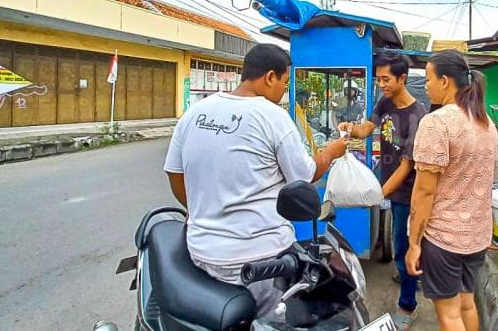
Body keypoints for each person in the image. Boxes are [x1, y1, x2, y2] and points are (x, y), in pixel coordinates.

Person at [163, 44, 347, 319]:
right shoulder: (272, 116)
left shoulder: (195, 113)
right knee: (268, 322)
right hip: (259, 263)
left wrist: (200, 209)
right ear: (270, 77)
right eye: (284, 83)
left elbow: (174, 174)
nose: (284, 91)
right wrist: (331, 151)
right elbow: (305, 176)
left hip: (201, 254)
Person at [406, 50, 498, 331]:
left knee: (449, 315)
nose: (427, 87)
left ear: (445, 81)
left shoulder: (437, 122)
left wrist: (413, 243)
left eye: (429, 80)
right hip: (477, 235)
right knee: (467, 304)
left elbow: (424, 192)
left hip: (444, 238)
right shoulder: (486, 122)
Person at [338, 51, 427, 329]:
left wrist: (377, 193)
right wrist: (350, 128)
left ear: (402, 78)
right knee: (401, 247)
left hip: (407, 193)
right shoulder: (385, 102)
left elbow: (406, 167)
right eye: (378, 80)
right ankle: (408, 275)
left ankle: (408, 305)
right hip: (388, 186)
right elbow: (366, 129)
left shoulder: (418, 116)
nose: (381, 84)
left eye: (386, 79)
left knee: (404, 247)